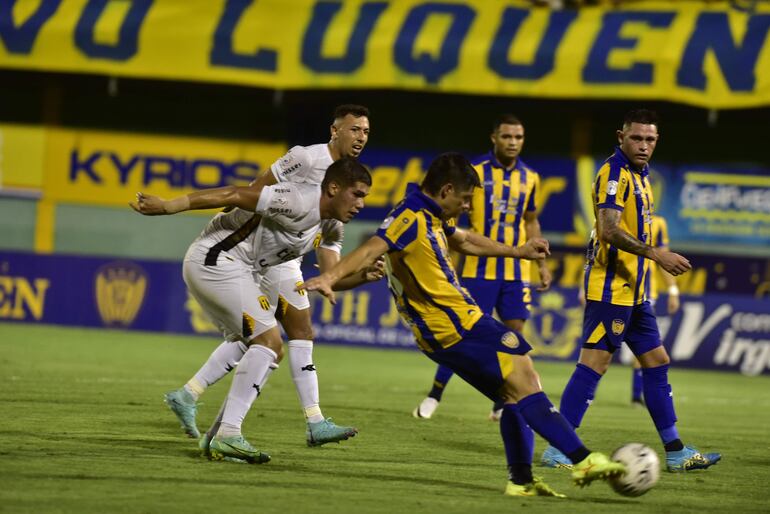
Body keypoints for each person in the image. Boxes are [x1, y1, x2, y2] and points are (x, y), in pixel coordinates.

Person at [301, 153, 625, 497]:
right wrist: (331, 276)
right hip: (453, 325)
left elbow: (465, 241)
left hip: (455, 325)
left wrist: (518, 252)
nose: (469, 206)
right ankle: (584, 460)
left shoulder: (432, 213)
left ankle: (520, 480)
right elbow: (372, 247)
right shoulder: (409, 216)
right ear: (447, 190)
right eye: (466, 198)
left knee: (512, 392)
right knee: (525, 376)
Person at [131, 157, 372, 463]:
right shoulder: (297, 199)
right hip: (215, 260)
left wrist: (362, 276)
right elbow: (233, 194)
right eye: (358, 194)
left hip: (242, 270)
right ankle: (229, 434)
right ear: (334, 188)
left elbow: (331, 278)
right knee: (268, 342)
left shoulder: (332, 226)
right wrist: (169, 206)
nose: (361, 204)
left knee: (267, 347)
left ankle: (216, 432)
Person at [540, 109, 721, 472]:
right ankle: (559, 448)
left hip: (635, 293)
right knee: (594, 363)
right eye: (636, 138)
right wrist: (656, 253)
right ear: (621, 136)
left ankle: (675, 451)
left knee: (657, 362)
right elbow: (607, 230)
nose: (643, 145)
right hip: (611, 291)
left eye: (650, 139)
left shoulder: (641, 175)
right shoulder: (614, 173)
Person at [412, 114, 552, 422]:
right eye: (507, 137)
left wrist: (541, 264)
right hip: (478, 268)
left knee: (515, 335)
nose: (513, 143)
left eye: (518, 137)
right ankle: (435, 394)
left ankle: (503, 402)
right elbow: (453, 218)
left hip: (516, 272)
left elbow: (531, 221)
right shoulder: (474, 172)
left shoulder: (531, 178)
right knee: (461, 334)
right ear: (494, 138)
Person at [630, 214, 680, 405]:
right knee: (601, 354)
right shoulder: (613, 218)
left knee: (647, 348)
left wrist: (673, 290)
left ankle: (637, 395)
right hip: (612, 293)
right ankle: (586, 394)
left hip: (645, 294)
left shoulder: (658, 223)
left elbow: (665, 259)